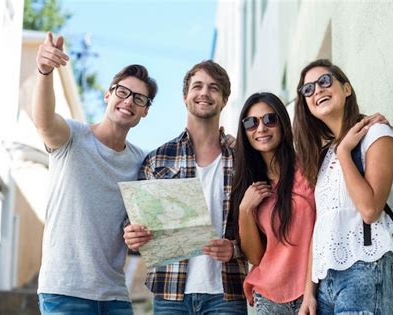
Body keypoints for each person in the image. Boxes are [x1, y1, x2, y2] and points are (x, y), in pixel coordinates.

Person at [33, 32, 158, 314]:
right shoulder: (72, 137)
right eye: (122, 92)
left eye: (139, 99)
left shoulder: (140, 162)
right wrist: (44, 72)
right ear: (108, 94)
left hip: (115, 294)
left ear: (145, 111)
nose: (128, 101)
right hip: (64, 290)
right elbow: (43, 122)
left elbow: (137, 221)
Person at [123, 60, 248, 314]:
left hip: (226, 294)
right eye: (198, 86)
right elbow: (133, 226)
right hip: (170, 295)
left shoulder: (242, 160)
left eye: (213, 88)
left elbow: (263, 226)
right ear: (185, 97)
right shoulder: (157, 160)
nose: (204, 93)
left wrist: (234, 249)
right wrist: (132, 235)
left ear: (224, 100)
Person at [294, 59, 393, 314]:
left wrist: (344, 152)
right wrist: (309, 293)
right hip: (324, 286)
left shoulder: (376, 135)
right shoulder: (323, 157)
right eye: (308, 89)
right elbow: (322, 227)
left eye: (324, 81)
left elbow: (370, 209)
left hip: (367, 270)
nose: (317, 90)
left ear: (346, 89)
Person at [229, 92, 316, 314]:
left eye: (270, 119)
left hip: (315, 290)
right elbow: (256, 257)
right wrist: (245, 209)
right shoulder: (250, 185)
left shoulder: (308, 169)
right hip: (269, 297)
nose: (261, 128)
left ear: (282, 123)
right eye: (251, 123)